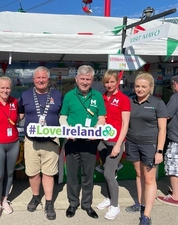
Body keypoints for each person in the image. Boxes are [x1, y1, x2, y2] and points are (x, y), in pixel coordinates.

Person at [59, 65, 106, 219]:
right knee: (72, 174)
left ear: (92, 80)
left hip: (90, 142)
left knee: (88, 174)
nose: (85, 82)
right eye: (82, 79)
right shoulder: (69, 96)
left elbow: (101, 118)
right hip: (72, 142)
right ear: (76, 79)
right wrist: (67, 130)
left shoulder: (98, 96)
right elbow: (63, 117)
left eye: (88, 79)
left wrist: (96, 131)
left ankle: (87, 204)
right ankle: (73, 203)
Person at [18, 66, 62, 220]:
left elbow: (63, 116)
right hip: (31, 141)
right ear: (33, 79)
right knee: (33, 173)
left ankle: (49, 202)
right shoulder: (25, 95)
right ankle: (36, 196)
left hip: (51, 141)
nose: (41, 80)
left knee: (49, 174)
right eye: (38, 78)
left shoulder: (57, 95)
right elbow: (19, 114)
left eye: (44, 78)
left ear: (48, 79)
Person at [125, 72, 167, 225]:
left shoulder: (158, 103)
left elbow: (162, 129)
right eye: (137, 86)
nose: (140, 89)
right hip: (132, 143)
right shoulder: (129, 101)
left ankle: (147, 215)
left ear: (150, 88)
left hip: (150, 145)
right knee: (138, 174)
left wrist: (159, 151)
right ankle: (140, 203)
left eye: (143, 86)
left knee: (149, 179)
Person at [96, 70, 131, 220]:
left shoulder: (123, 99)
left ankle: (115, 207)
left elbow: (125, 124)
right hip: (101, 141)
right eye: (106, 82)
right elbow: (101, 118)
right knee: (107, 171)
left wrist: (118, 144)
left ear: (117, 82)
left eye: (112, 82)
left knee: (109, 173)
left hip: (115, 141)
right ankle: (110, 198)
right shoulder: (101, 97)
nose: (109, 85)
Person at [0, 76, 20, 220]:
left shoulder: (15, 102)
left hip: (13, 142)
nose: (5, 90)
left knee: (10, 173)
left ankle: (5, 199)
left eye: (8, 88)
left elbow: (18, 117)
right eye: (2, 88)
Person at [156, 75, 178, 206]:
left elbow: (166, 114)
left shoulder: (175, 97)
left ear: (175, 84)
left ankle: (175, 196)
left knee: (173, 167)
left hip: (176, 139)